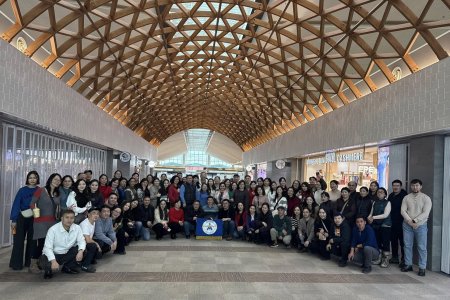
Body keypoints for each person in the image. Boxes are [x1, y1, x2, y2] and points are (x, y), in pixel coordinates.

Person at [29, 173, 62, 273]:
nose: (57, 181)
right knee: (42, 243)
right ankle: (33, 265)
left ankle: (44, 264)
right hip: (40, 221)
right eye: (55, 179)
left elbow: (58, 208)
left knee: (50, 244)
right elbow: (32, 203)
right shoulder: (41, 190)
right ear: (50, 179)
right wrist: (35, 212)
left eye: (59, 180)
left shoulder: (57, 193)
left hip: (53, 222)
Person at [39, 209, 86, 279]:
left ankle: (67, 267)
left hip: (67, 253)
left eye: (72, 218)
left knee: (83, 250)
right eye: (67, 217)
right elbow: (47, 248)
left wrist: (81, 251)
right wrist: (53, 261)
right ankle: (48, 271)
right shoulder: (53, 230)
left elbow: (81, 241)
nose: (69, 220)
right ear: (62, 218)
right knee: (43, 260)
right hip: (55, 254)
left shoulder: (77, 228)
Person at [400, 179, 432, 276]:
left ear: (420, 186)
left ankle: (422, 268)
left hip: (421, 225)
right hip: (407, 225)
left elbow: (426, 213)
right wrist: (410, 221)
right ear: (411, 186)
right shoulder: (406, 197)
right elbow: (403, 211)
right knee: (407, 245)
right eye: (413, 185)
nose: (415, 187)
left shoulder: (426, 198)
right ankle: (408, 264)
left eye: (417, 185)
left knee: (422, 247)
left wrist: (415, 221)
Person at [9, 171, 40, 271]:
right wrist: (14, 219)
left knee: (33, 241)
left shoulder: (40, 190)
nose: (32, 180)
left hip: (35, 218)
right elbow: (16, 204)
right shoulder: (22, 190)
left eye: (34, 178)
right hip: (21, 217)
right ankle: (16, 264)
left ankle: (29, 263)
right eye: (30, 177)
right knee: (18, 241)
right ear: (27, 179)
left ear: (37, 179)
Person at [368, 187, 391, 268]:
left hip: (385, 225)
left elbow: (385, 215)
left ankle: (386, 260)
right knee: (378, 242)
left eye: (382, 192)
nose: (380, 193)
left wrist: (373, 218)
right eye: (378, 192)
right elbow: (371, 212)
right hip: (375, 225)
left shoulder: (388, 202)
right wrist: (369, 218)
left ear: (385, 194)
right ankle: (379, 258)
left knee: (385, 242)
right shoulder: (374, 202)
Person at [388, 179, 408, 266]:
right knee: (393, 241)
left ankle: (404, 259)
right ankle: (395, 257)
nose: (395, 187)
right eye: (394, 185)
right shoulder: (391, 195)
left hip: (402, 223)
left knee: (403, 242)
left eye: (397, 186)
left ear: (401, 186)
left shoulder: (405, 196)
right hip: (392, 222)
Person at [79, 207, 102, 272]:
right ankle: (85, 265)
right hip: (80, 244)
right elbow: (88, 240)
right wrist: (97, 244)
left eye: (97, 213)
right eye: (93, 213)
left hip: (86, 242)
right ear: (88, 214)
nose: (96, 215)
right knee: (93, 245)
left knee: (100, 242)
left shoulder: (93, 222)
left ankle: (91, 259)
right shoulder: (85, 224)